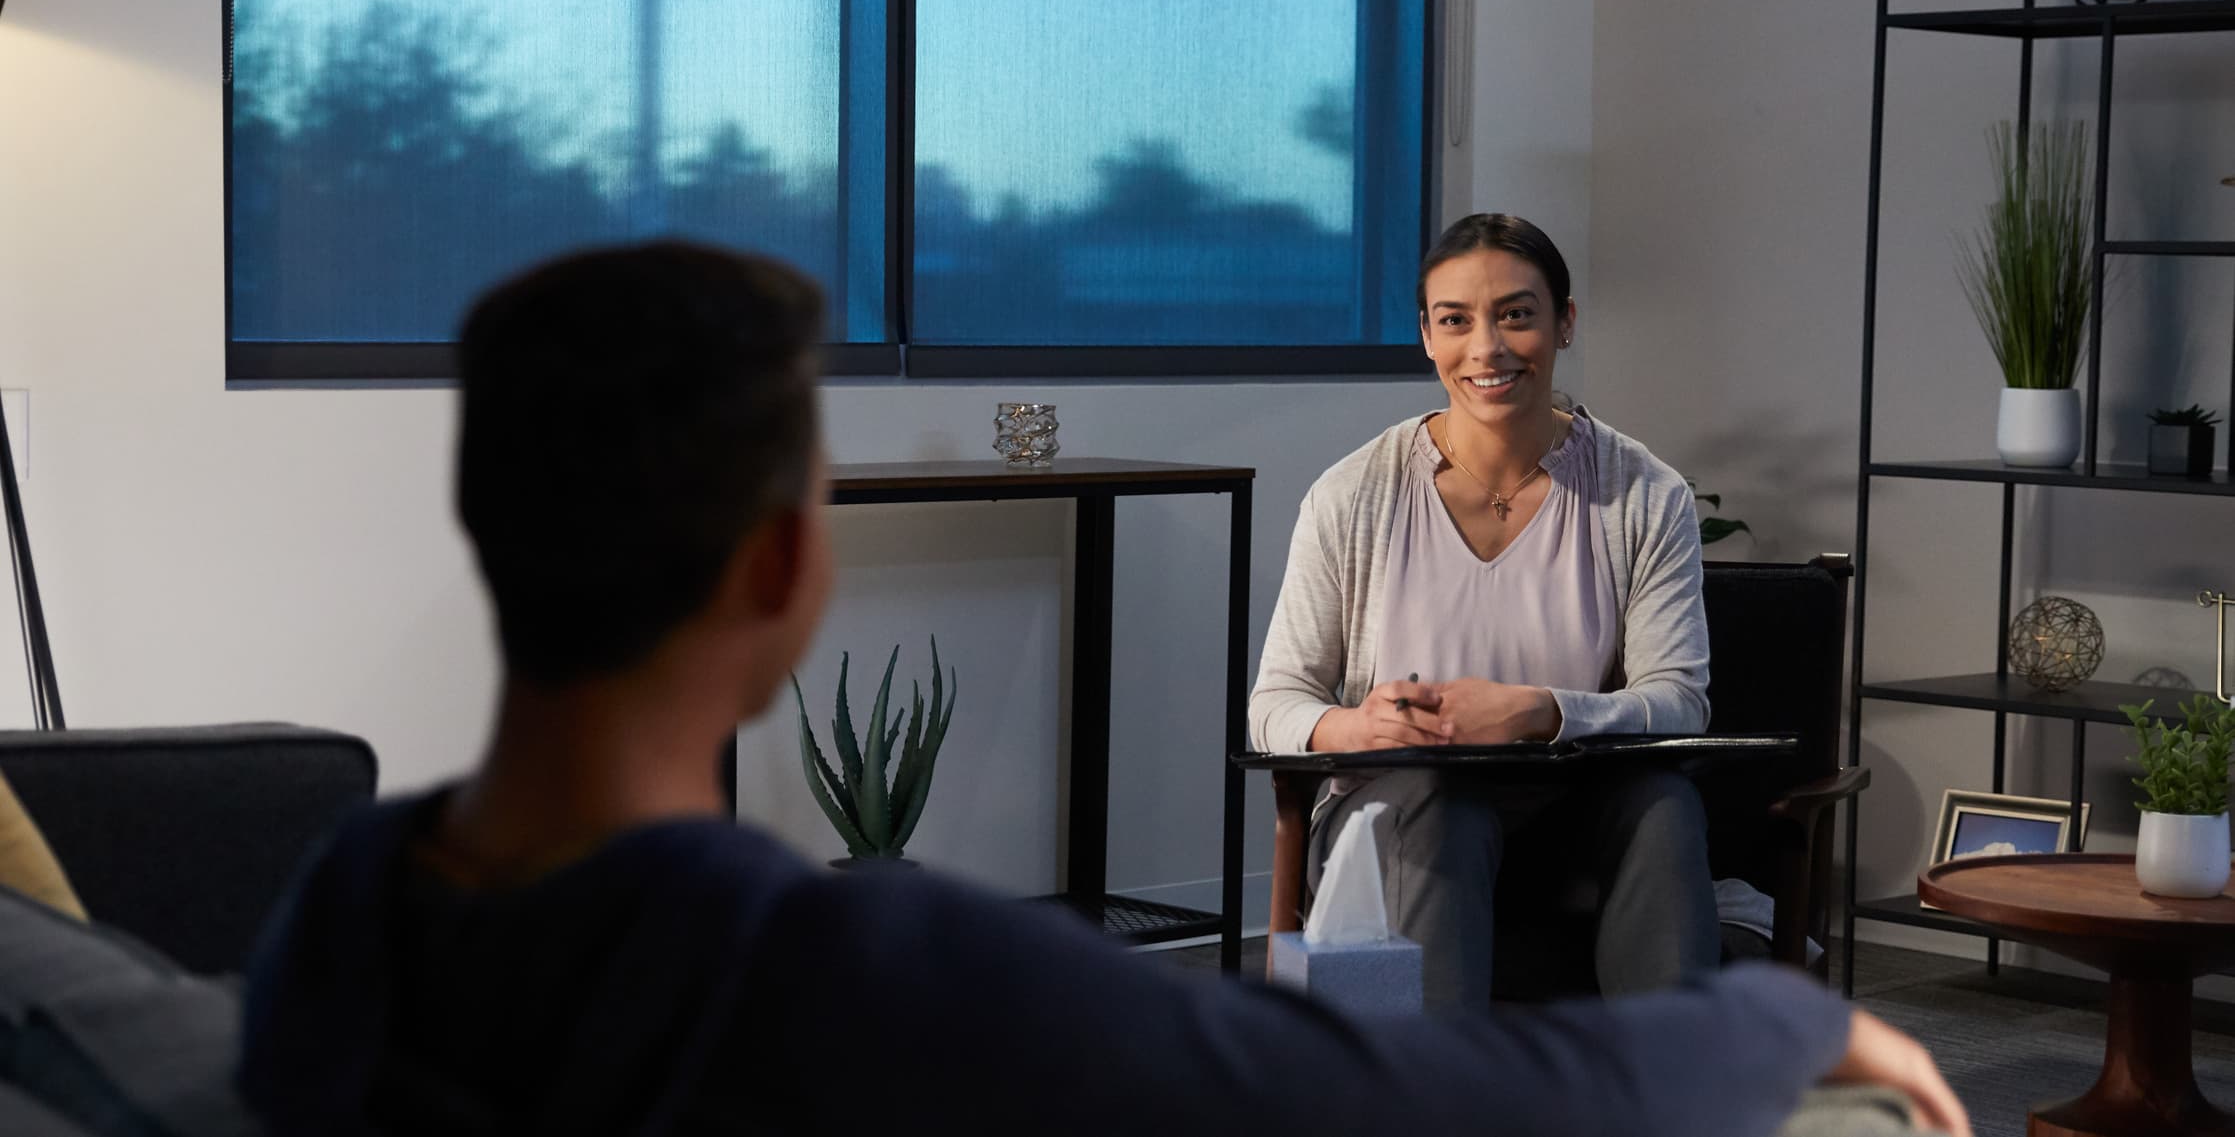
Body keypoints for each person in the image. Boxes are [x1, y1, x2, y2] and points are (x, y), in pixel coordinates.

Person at [236, 241, 1968, 1137]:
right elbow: (1375, 1108)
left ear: (482, 525)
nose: (1483, 346)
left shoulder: (341, 902)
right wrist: (1785, 1018)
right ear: (783, 571)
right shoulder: (855, 962)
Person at [1251, 212, 1720, 1009]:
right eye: (1455, 321)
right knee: (1443, 808)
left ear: (1563, 322)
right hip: (1403, 809)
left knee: (1662, 802)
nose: (1486, 349)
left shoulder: (1644, 493)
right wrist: (1359, 728)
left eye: (1515, 314)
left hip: (1575, 808)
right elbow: (1275, 706)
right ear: (1425, 337)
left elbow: (1679, 700)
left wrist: (1541, 711)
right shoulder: (1351, 494)